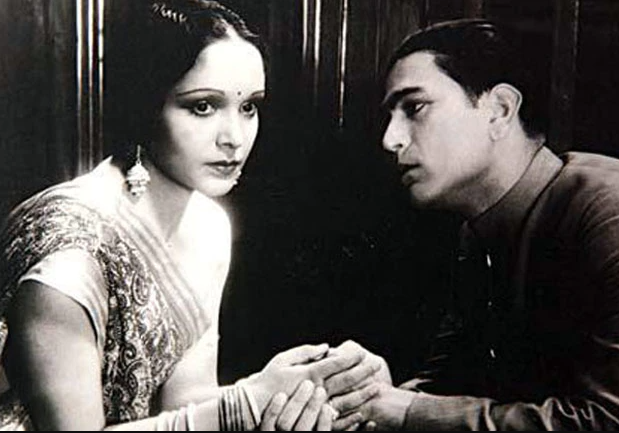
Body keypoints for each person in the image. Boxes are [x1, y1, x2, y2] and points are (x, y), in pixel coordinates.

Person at [0, 1, 381, 430]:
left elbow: (185, 404)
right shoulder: (70, 253)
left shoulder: (209, 226)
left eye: (249, 107)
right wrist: (247, 403)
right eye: (203, 106)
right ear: (145, 106)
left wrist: (302, 391)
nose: (234, 138)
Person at [329, 18, 619, 430]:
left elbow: (608, 421)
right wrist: (374, 398)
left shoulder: (608, 211)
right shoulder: (477, 232)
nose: (390, 139)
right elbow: (452, 380)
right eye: (391, 116)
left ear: (500, 110)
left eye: (414, 108)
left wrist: (407, 409)